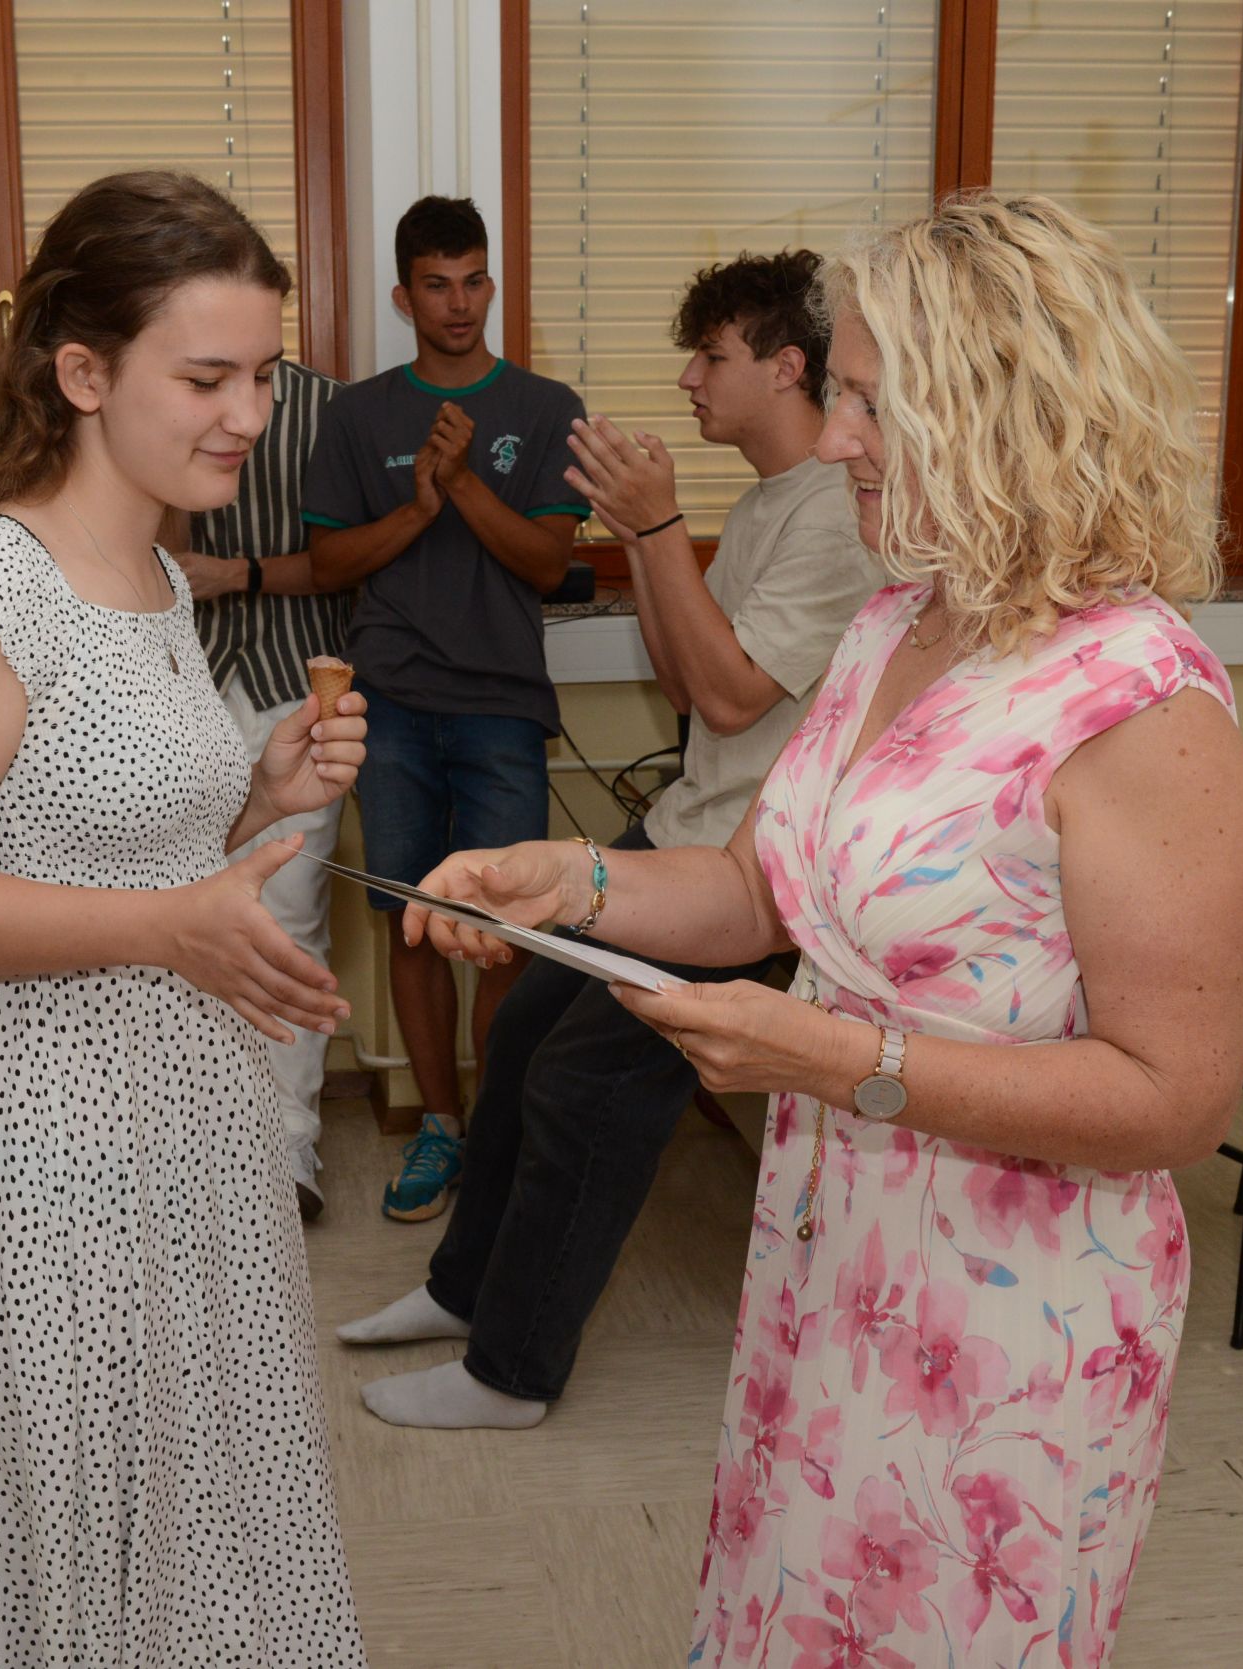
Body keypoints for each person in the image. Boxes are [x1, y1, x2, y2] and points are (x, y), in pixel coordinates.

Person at [405, 194, 1243, 1666]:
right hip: (834, 1238)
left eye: (870, 402)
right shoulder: (896, 623)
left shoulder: (1141, 703)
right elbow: (758, 890)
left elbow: (1175, 1099)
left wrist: (838, 1058)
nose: (836, 437)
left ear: (1001, 415)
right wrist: (567, 880)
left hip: (1013, 1308)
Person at [0, 171, 368, 1668]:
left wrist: (261, 794)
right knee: (109, 1533)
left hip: (198, 1109)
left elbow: (133, 839)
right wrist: (160, 927)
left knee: (220, 1499)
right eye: (205, 378)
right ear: (82, 373)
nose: (248, 414)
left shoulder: (154, 575)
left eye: (262, 374)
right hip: (59, 1143)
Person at [339, 250, 882, 1428]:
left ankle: (513, 1371)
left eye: (711, 357)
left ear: (786, 368)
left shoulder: (837, 518)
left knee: (586, 1085)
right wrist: (643, 536)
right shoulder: (766, 502)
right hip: (690, 827)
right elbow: (689, 693)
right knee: (524, 1033)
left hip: (749, 869)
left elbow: (727, 698)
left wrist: (658, 525)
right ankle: (463, 1289)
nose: (688, 379)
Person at [303, 195, 588, 1223]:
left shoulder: (546, 405)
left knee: (504, 928)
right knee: (413, 923)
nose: (458, 303)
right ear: (403, 296)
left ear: (492, 286)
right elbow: (327, 563)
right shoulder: (358, 415)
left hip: (502, 706)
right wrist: (419, 506)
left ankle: (498, 1132)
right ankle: (440, 1125)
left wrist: (461, 483)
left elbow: (548, 563)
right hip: (390, 706)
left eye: (473, 282)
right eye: (436, 285)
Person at [174, 355, 353, 1218]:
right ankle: (194, 1148)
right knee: (175, 911)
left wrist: (235, 571)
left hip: (298, 685)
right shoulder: (157, 396)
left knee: (291, 917)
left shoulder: (336, 411)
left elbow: (357, 557)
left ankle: (288, 1150)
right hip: (184, 681)